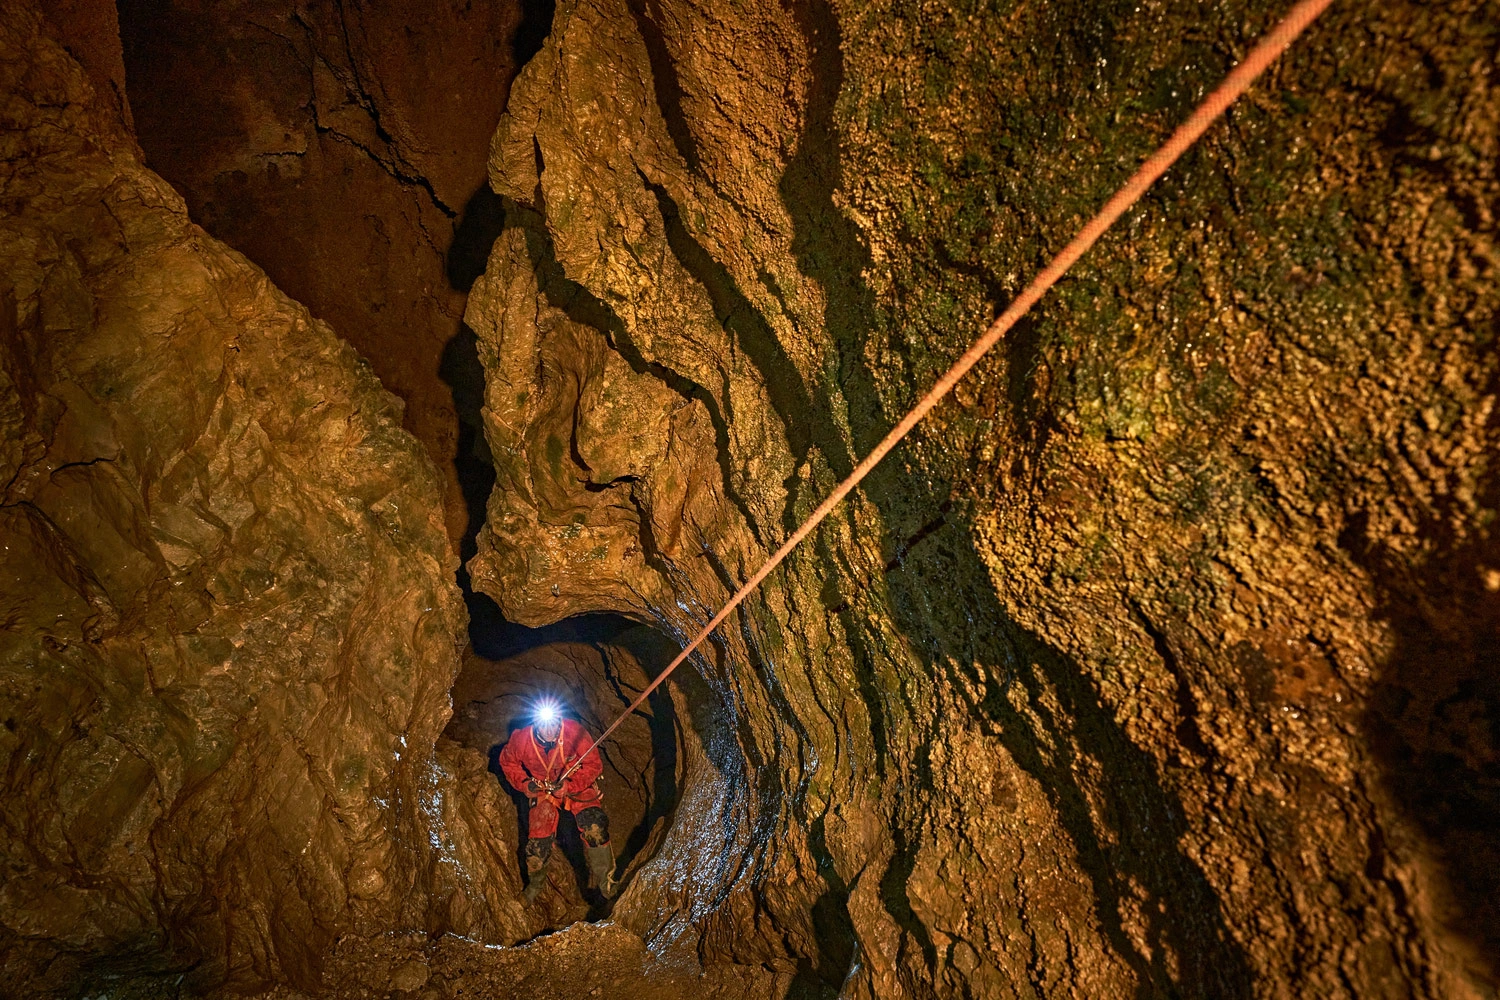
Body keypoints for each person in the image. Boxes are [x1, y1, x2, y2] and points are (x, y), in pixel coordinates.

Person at [497, 701, 617, 902]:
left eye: (554, 724)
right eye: (544, 724)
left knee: (593, 824)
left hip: (575, 783)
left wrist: (571, 784)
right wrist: (526, 784)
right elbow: (508, 763)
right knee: (538, 844)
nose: (550, 730)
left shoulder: (574, 732)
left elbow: (593, 765)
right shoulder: (521, 739)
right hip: (543, 790)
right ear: (535, 722)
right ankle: (534, 888)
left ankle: (607, 884)